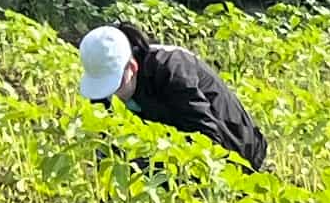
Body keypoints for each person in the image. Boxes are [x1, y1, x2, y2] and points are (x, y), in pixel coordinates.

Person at [78, 19, 269, 169]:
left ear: (132, 67)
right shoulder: (103, 84)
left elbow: (209, 139)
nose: (112, 97)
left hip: (236, 150)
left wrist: (145, 162)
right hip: (179, 148)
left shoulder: (172, 70)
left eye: (114, 86)